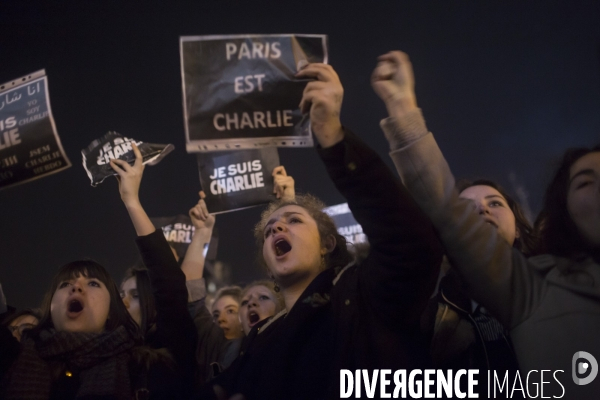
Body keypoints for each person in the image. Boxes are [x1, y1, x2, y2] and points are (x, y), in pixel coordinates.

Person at [201, 62, 443, 400]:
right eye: (270, 230)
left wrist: (331, 135)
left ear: (328, 243)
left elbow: (411, 244)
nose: (277, 228)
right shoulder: (258, 340)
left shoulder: (362, 295)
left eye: (294, 221)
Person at [372, 50, 600, 398]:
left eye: (495, 203)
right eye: (585, 181)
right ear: (564, 211)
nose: (482, 212)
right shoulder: (532, 290)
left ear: (519, 221)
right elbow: (441, 203)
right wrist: (403, 110)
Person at [0, 143, 196, 399]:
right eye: (65, 284)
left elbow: (170, 290)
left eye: (93, 283)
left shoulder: (145, 368)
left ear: (113, 310)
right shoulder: (12, 358)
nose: (77, 286)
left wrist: (132, 201)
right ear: (49, 308)